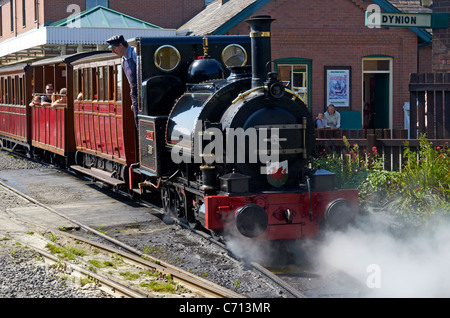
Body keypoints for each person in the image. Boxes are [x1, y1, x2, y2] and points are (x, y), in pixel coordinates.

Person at [106, 35, 138, 127]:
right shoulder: (123, 60)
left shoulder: (135, 53)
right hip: (135, 94)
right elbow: (130, 82)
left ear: (121, 45)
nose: (113, 51)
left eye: (113, 48)